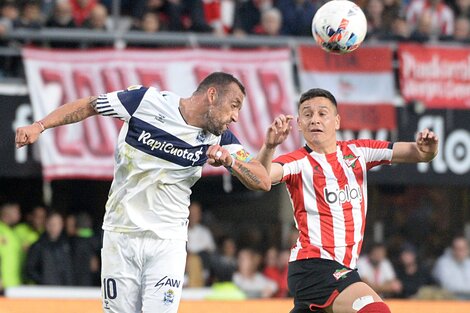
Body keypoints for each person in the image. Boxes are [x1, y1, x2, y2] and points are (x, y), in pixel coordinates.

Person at [16, 72, 274, 312]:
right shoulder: (145, 102)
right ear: (212, 95)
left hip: (167, 241)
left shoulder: (220, 138)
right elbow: (90, 105)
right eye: (235, 105)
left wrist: (231, 162)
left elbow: (262, 180)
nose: (236, 117)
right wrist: (39, 126)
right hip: (121, 235)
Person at [256, 88, 438, 313]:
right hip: (314, 265)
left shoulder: (358, 152)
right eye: (307, 114)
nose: (315, 119)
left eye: (322, 113)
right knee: (375, 310)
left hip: (341, 268)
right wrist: (270, 147)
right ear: (300, 124)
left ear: (337, 121)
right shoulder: (298, 162)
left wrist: (428, 150)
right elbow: (261, 178)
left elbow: (418, 153)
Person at [25, 211, 75, 285]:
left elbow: (70, 270)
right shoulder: (38, 246)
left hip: (65, 291)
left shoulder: (68, 246)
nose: (54, 227)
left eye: (58, 224)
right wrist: (43, 281)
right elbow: (29, 269)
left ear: (62, 225)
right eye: (52, 224)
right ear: (46, 225)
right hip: (45, 292)